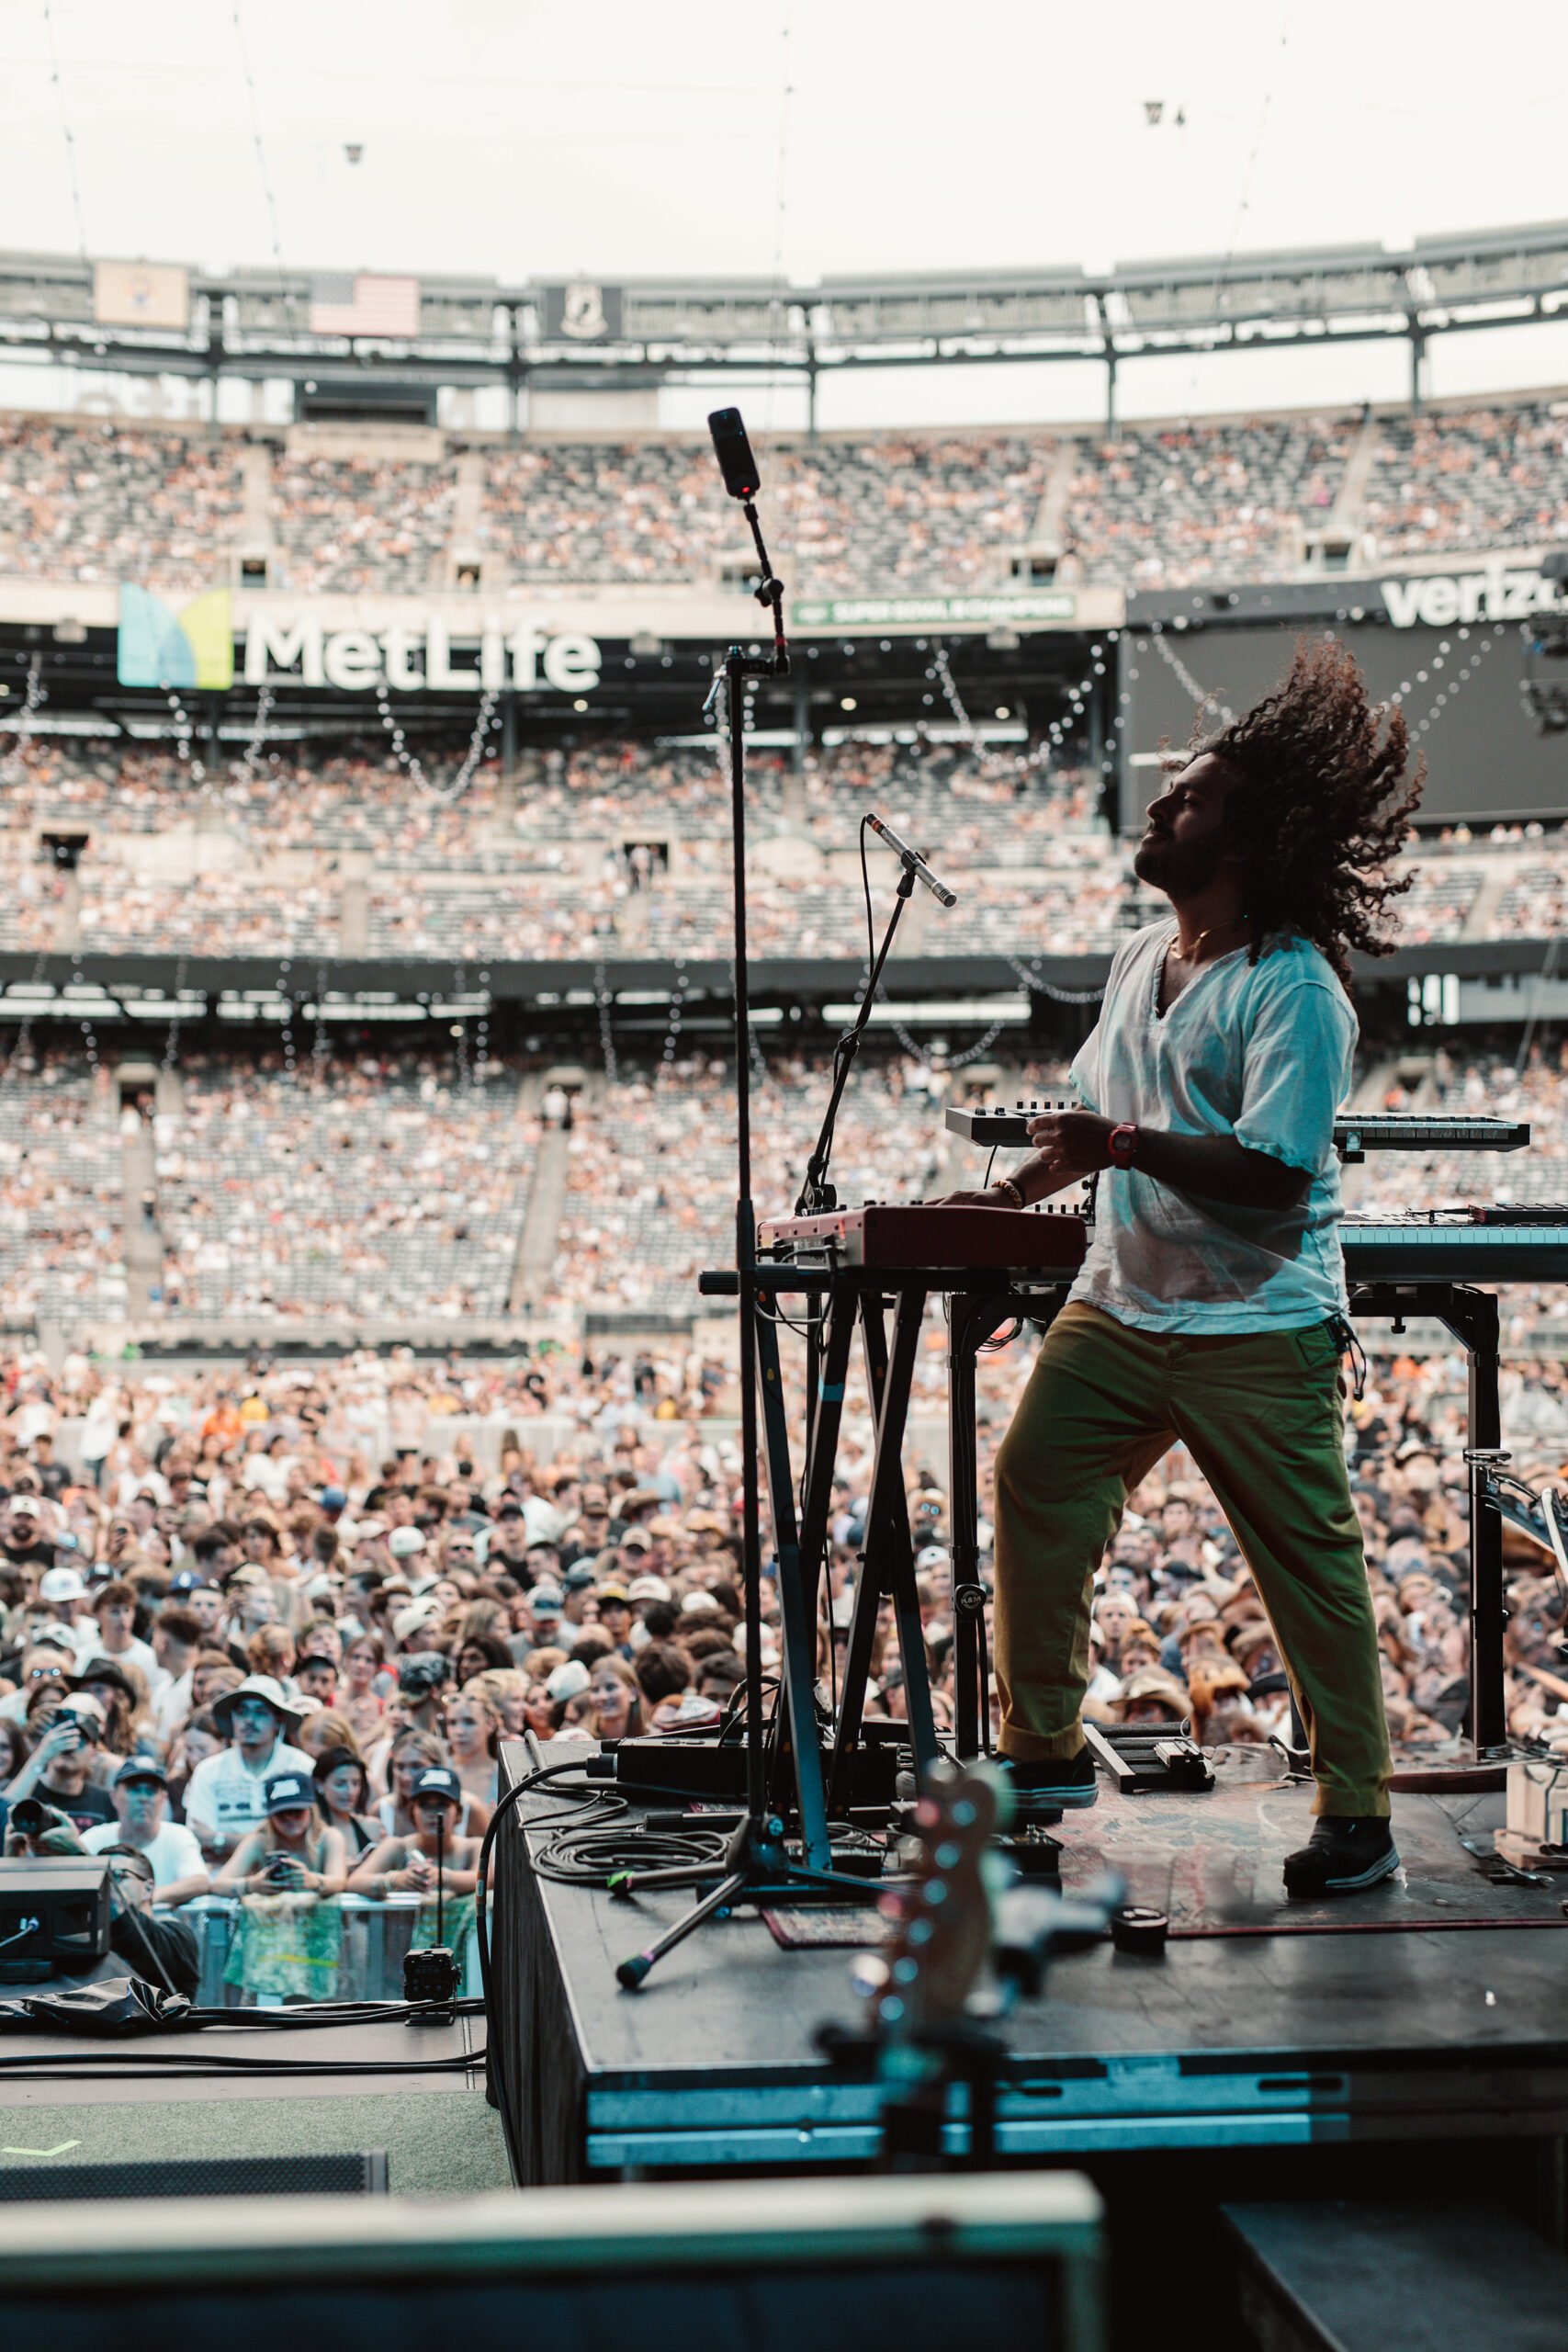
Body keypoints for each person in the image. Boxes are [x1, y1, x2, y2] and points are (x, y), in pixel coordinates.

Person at [949, 642, 1418, 1899]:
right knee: (1035, 1483)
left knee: (1305, 1568)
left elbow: (1269, 1171)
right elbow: (1092, 1129)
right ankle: (1041, 1753)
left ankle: (1358, 1815)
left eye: (1190, 797)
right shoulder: (1132, 964)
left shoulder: (1292, 988)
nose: (1160, 807)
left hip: (1257, 1323)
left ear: (1246, 837)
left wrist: (1111, 1145)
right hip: (1119, 1304)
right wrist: (994, 1205)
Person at [181, 1675, 315, 1861]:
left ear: (278, 1720)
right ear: (233, 1718)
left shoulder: (302, 1766)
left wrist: (219, 1841)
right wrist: (273, 1845)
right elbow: (200, 1843)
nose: (249, 1720)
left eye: (260, 1712)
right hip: (222, 1881)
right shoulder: (208, 1771)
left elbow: (308, 1843)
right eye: (242, 1712)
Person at [83, 1758, 209, 1903]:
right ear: (114, 1796)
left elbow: (199, 1881)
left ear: (163, 1798)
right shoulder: (96, 1838)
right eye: (134, 1790)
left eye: (151, 1791)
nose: (143, 1798)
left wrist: (146, 1897)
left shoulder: (178, 1836)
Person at [349, 1766, 482, 1902]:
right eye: (424, 1805)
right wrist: (396, 1879)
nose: (433, 1814)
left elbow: (487, 1879)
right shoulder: (397, 1846)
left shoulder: (473, 1847)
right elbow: (354, 1882)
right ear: (411, 1811)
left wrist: (443, 1877)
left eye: (442, 1805)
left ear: (458, 1812)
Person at [213, 1770, 350, 1897]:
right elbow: (218, 1885)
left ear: (311, 1809)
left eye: (296, 1811)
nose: (289, 1817)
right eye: (281, 1813)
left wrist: (313, 1881)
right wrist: (251, 1885)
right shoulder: (258, 1841)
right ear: (270, 1816)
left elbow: (339, 1881)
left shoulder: (329, 1837)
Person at [3, 1690, 117, 1834]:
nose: (69, 1746)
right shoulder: (25, 1789)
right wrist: (42, 1755)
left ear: (94, 1753)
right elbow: (3, 1818)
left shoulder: (106, 1802)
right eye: (62, 1737)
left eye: (79, 1739)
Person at [312, 1745, 380, 1858]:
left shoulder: (372, 1828)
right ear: (319, 1784)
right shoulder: (310, 1833)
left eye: (355, 1783)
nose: (350, 1792)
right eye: (340, 1784)